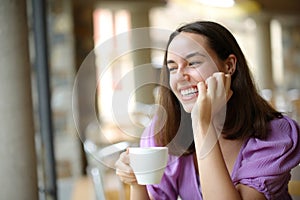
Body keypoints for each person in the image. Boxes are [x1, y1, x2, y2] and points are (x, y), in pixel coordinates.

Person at [115, 21, 300, 200]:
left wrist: (203, 123)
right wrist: (137, 182)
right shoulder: (165, 130)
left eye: (193, 63)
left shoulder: (276, 134)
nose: (180, 76)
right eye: (172, 68)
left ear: (229, 66)